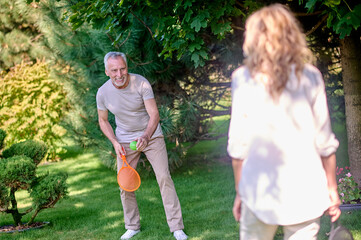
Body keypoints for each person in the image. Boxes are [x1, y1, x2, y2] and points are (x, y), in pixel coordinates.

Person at [227, 4, 341, 240]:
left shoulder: (243, 78)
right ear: (291, 35)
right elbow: (325, 142)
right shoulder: (310, 76)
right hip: (306, 191)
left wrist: (241, 192)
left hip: (258, 192)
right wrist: (332, 188)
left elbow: (238, 147)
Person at [96, 52, 188, 240]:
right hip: (124, 140)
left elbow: (154, 114)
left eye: (123, 68)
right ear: (107, 71)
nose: (119, 74)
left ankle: (177, 227)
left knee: (164, 178)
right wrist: (114, 142)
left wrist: (146, 136)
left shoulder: (141, 83)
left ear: (127, 67)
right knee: (125, 185)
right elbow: (103, 120)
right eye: (114, 70)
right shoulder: (103, 93)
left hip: (151, 136)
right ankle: (132, 226)